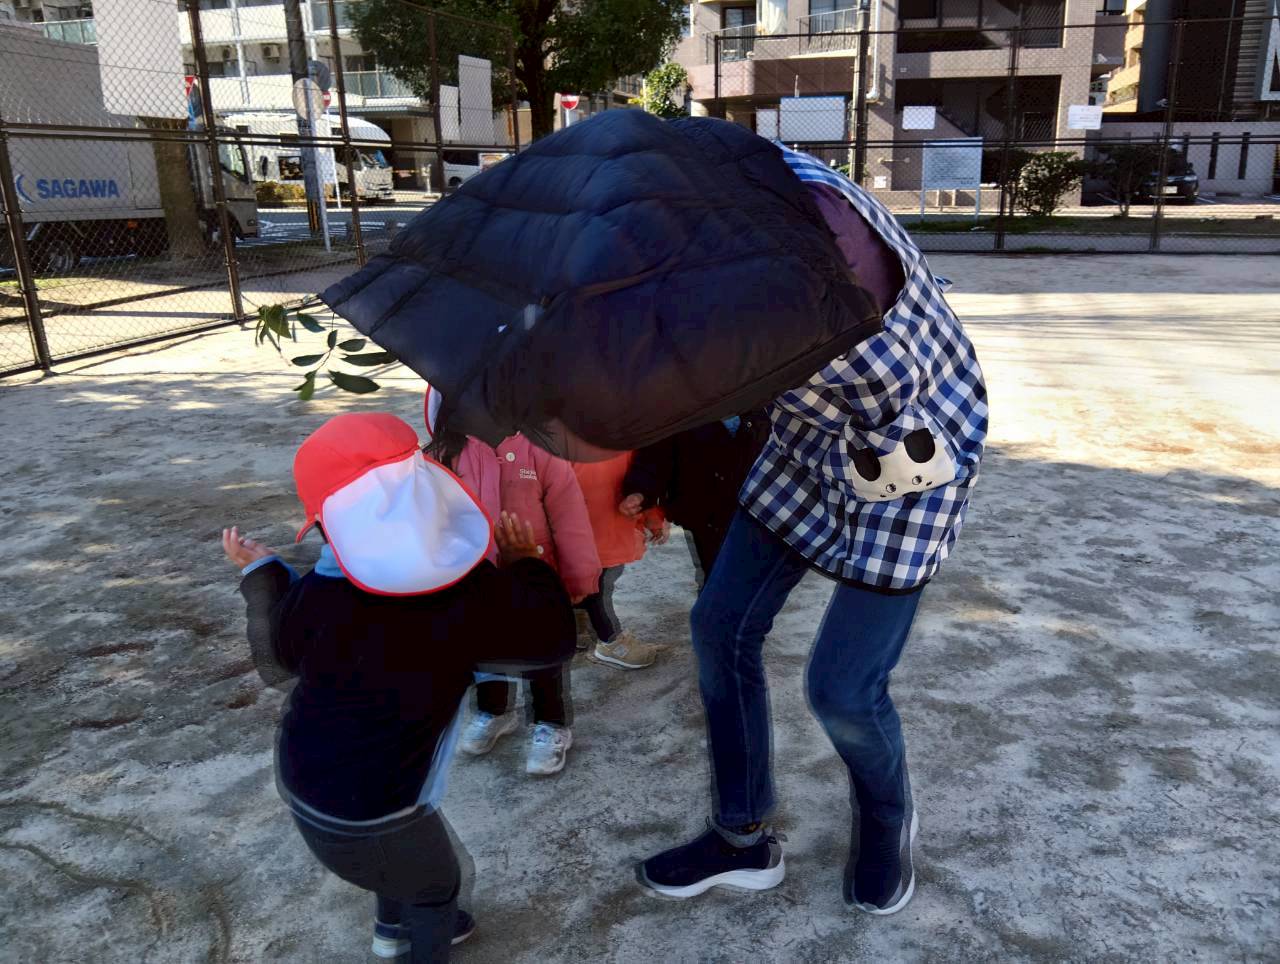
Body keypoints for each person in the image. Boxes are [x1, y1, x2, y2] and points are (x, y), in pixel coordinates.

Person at [638, 151, 988, 916]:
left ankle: (888, 814)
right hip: (805, 444)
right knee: (720, 626)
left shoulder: (815, 261)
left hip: (912, 457)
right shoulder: (727, 207)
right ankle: (741, 835)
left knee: (842, 689)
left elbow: (727, 369)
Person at [222, 412, 575, 962]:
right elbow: (548, 644)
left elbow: (279, 659)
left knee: (393, 864)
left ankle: (391, 930)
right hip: (379, 813)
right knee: (437, 887)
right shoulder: (464, 594)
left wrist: (263, 572)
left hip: (304, 786)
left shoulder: (321, 587)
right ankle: (420, 935)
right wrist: (526, 565)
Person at [439, 425, 601, 776]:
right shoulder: (449, 450)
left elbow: (569, 515)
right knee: (486, 648)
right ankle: (494, 711)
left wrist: (579, 574)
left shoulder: (542, 447)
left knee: (544, 652)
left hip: (538, 573)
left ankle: (551, 722)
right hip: (478, 576)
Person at [620, 410, 771, 591]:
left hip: (759, 513)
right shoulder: (681, 407)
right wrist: (640, 492)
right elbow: (655, 455)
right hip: (705, 514)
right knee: (718, 582)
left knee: (754, 583)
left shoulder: (765, 405)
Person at [571, 453, 668, 669]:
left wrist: (651, 513)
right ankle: (610, 641)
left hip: (609, 522)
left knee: (594, 581)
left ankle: (577, 628)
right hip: (588, 524)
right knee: (599, 586)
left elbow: (644, 471)